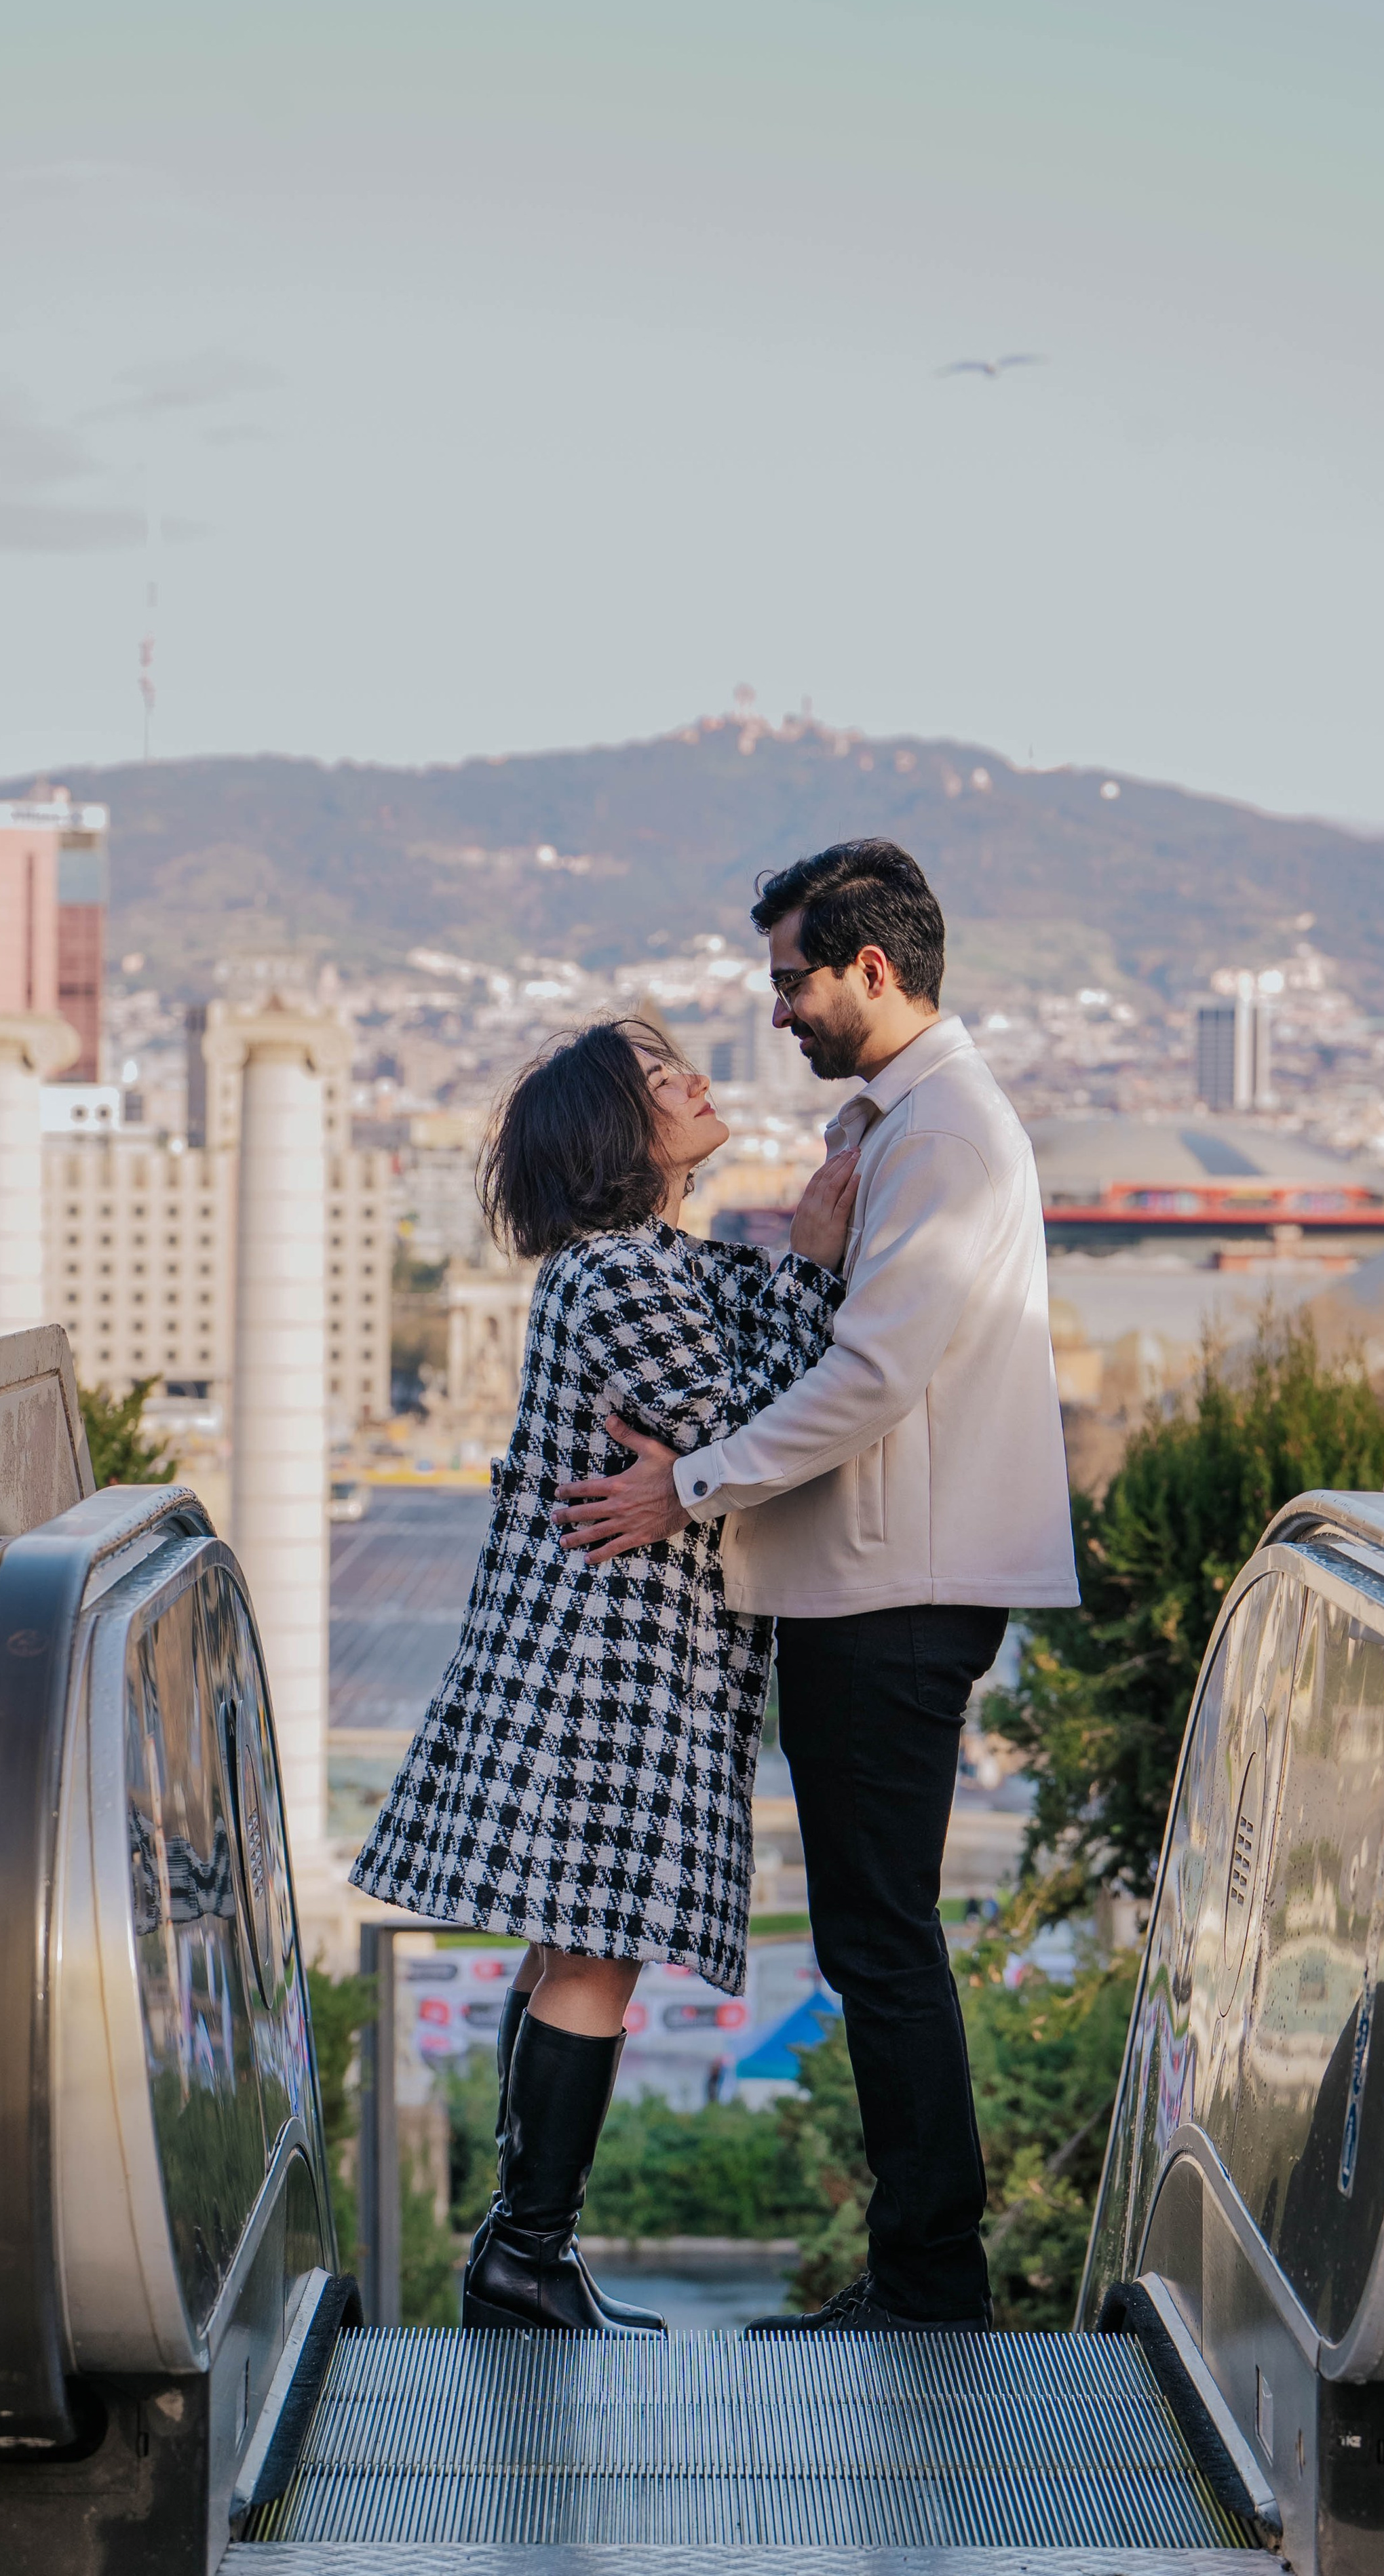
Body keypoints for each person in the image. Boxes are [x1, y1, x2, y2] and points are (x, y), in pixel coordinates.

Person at [553, 840, 1079, 2334]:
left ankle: (927, 2283)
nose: (774, 1010)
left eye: (791, 979)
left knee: (878, 1938)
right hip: (870, 1577)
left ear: (869, 968)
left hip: (890, 1587)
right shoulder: (903, 1126)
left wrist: (687, 1482)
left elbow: (870, 1375)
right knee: (874, 1933)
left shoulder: (945, 1137)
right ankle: (920, 2273)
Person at [350, 1015, 858, 2334]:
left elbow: (737, 1365)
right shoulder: (622, 1279)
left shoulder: (639, 1264)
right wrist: (809, 1262)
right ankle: (525, 2256)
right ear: (611, 1135)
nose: (696, 1079)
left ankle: (523, 2256)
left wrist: (792, 1264)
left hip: (597, 1658)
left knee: (565, 1951)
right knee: (594, 1961)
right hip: (610, 1671)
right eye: (658, 1081)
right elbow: (747, 1428)